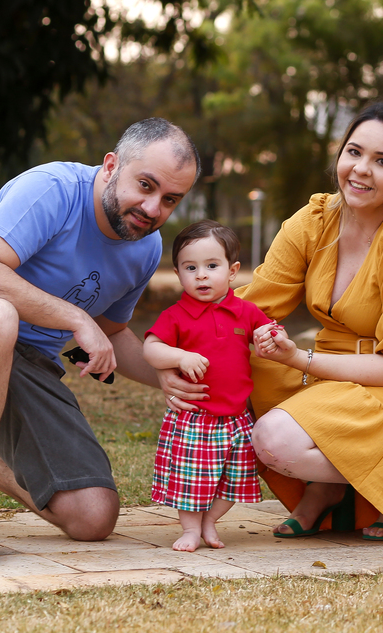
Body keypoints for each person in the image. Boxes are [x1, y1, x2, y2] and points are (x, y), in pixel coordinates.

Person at [0, 118, 202, 563]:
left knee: (93, 516)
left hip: (25, 363)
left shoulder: (144, 249)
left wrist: (168, 375)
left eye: (170, 199)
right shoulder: (53, 189)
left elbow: (111, 331)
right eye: (145, 185)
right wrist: (75, 317)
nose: (153, 209)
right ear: (112, 166)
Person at [218, 102, 383, 542]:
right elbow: (252, 309)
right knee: (235, 362)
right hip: (333, 377)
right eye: (354, 152)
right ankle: (330, 489)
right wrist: (186, 349)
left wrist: (300, 359)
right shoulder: (316, 220)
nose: (361, 169)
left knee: (275, 439)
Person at [143, 221, 272, 552]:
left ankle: (210, 521)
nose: (201, 275)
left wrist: (270, 337)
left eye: (211, 266)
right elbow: (151, 349)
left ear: (232, 271)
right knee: (191, 480)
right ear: (178, 274)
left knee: (237, 478)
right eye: (191, 268)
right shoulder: (176, 316)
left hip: (237, 418)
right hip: (196, 417)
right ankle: (190, 529)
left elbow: (268, 332)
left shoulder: (245, 312)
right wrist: (179, 356)